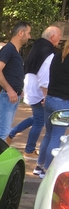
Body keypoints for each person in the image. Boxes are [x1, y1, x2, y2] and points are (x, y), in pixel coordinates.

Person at [6, 26, 61, 155]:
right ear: (52, 36)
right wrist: (46, 95)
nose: (60, 38)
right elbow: (44, 76)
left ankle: (11, 133)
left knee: (36, 117)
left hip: (31, 87)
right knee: (39, 121)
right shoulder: (48, 53)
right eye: (59, 35)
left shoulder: (37, 48)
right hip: (38, 90)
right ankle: (29, 149)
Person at [34, 41, 69, 178]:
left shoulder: (57, 56)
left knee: (48, 135)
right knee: (56, 137)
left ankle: (39, 165)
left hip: (50, 99)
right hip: (63, 103)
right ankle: (48, 170)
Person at [0, 21, 31, 140]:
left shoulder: (15, 51)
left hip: (12, 96)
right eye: (28, 33)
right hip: (6, 96)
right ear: (21, 33)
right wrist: (10, 90)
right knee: (3, 132)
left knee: (5, 131)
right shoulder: (8, 49)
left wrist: (19, 89)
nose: (29, 36)